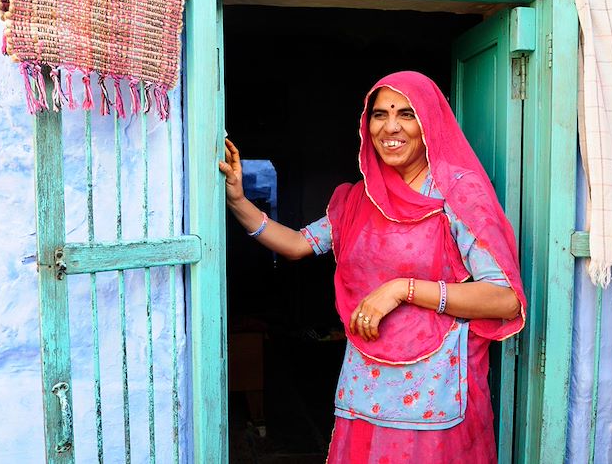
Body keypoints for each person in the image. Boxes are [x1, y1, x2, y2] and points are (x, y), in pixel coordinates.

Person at [219, 71, 526, 463]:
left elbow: (504, 299)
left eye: (407, 113)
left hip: (437, 387)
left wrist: (401, 289)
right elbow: (298, 244)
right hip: (368, 380)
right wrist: (238, 201)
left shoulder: (457, 192)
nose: (391, 126)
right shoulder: (360, 198)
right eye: (380, 114)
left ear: (429, 120)